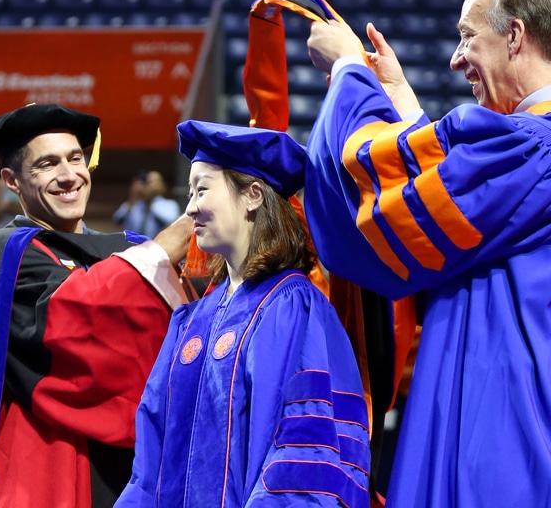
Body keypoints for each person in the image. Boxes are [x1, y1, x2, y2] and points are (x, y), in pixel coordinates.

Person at [302, 0, 551, 506]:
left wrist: (349, 72)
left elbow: (380, 218)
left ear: (515, 36)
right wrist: (404, 107)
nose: (456, 58)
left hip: (510, 472)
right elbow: (470, 222)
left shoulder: (532, 154)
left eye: (468, 37)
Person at [0, 103, 194, 508]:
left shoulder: (126, 251)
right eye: (47, 164)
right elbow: (74, 319)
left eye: (75, 158)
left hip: (135, 473)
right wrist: (163, 250)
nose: (68, 176)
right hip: (46, 478)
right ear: (11, 180)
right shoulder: (2, 254)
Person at [115, 120, 370, 507]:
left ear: (252, 195)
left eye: (202, 189)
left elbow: (304, 452)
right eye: (189, 192)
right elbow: (150, 456)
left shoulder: (295, 307)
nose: (190, 208)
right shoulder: (190, 321)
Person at [112, 170, 181, 238]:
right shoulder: (135, 205)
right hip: (136, 246)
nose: (148, 186)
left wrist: (149, 202)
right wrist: (133, 197)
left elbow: (170, 223)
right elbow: (117, 221)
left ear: (162, 185)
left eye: (151, 182)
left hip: (160, 246)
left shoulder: (169, 204)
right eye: (146, 183)